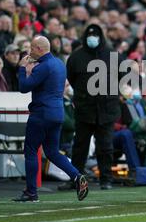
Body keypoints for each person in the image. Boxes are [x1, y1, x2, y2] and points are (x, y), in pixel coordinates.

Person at [14, 36, 88, 202]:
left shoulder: (43, 66)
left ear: (40, 49)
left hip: (41, 113)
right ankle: (77, 177)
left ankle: (31, 192)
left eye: (32, 48)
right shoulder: (60, 64)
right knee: (53, 152)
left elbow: (23, 88)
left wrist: (22, 68)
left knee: (31, 150)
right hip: (57, 113)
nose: (29, 52)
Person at [67, 24, 121, 190]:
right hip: (85, 109)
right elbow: (72, 79)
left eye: (95, 35)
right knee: (79, 146)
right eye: (90, 35)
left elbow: (122, 77)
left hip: (107, 109)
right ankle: (75, 179)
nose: (92, 38)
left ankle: (106, 179)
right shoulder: (76, 57)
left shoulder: (113, 55)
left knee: (105, 146)